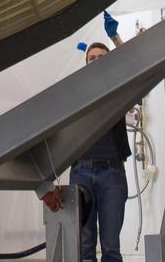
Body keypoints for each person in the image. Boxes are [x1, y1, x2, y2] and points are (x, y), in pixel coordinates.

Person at [69, 35, 130, 262]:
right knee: (84, 247)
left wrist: (116, 38)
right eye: (91, 58)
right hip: (81, 172)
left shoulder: (120, 87)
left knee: (111, 246)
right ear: (85, 64)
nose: (96, 61)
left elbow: (137, 67)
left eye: (101, 57)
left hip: (111, 173)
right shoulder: (75, 91)